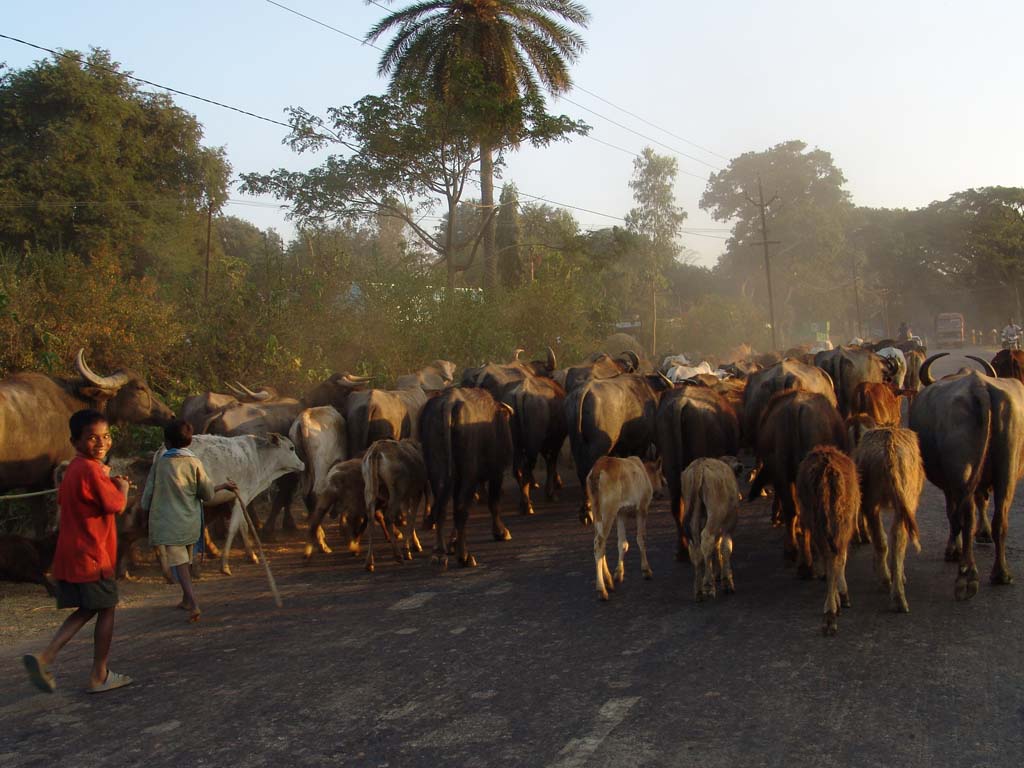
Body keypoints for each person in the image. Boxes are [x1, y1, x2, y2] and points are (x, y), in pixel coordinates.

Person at [23, 409, 132, 694]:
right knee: (106, 608)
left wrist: (105, 477)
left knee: (88, 609)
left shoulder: (74, 467)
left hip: (73, 553)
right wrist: (122, 487)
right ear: (75, 441)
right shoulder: (92, 470)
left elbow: (67, 497)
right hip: (94, 556)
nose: (101, 443)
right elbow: (117, 506)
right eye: (92, 438)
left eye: (106, 437)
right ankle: (99, 675)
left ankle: (46, 657)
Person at [141, 419, 235, 622]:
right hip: (191, 520)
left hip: (169, 522)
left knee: (180, 563)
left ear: (166, 442)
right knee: (187, 559)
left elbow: (148, 494)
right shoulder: (195, 463)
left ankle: (193, 602)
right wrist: (224, 486)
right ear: (190, 442)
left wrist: (145, 509)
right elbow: (207, 493)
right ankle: (186, 598)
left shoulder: (160, 464)